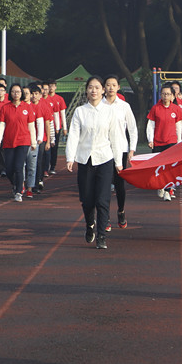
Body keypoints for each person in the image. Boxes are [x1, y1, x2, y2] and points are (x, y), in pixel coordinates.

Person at [66, 75, 124, 250]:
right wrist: (70, 157)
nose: (94, 91)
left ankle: (101, 236)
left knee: (102, 199)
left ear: (103, 90)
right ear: (86, 90)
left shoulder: (110, 112)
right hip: (85, 159)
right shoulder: (80, 111)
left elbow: (115, 137)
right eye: (91, 87)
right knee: (87, 199)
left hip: (105, 158)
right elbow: (73, 135)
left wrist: (118, 161)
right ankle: (90, 224)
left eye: (97, 87)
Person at [104, 75, 138, 229]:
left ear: (118, 87)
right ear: (104, 87)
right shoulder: (99, 106)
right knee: (104, 184)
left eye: (114, 85)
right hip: (103, 149)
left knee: (119, 184)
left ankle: (121, 210)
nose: (111, 87)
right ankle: (105, 216)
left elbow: (132, 128)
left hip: (121, 149)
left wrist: (132, 149)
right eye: (108, 85)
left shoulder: (124, 106)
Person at [0, 84, 37, 202]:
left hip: (23, 141)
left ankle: (19, 191)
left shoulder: (27, 107)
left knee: (19, 166)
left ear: (21, 93)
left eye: (18, 92)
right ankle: (16, 183)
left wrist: (33, 142)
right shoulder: (5, 108)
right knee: (9, 169)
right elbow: (1, 124)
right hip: (9, 141)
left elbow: (31, 126)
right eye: (13, 91)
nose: (16, 94)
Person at [146, 83, 182, 200]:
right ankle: (160, 185)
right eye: (163, 94)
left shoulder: (176, 109)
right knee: (158, 167)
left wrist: (179, 141)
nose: (165, 96)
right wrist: (150, 139)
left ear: (172, 95)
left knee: (170, 167)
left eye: (168, 94)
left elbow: (179, 126)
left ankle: (168, 190)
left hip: (171, 142)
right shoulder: (155, 108)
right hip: (158, 142)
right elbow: (150, 126)